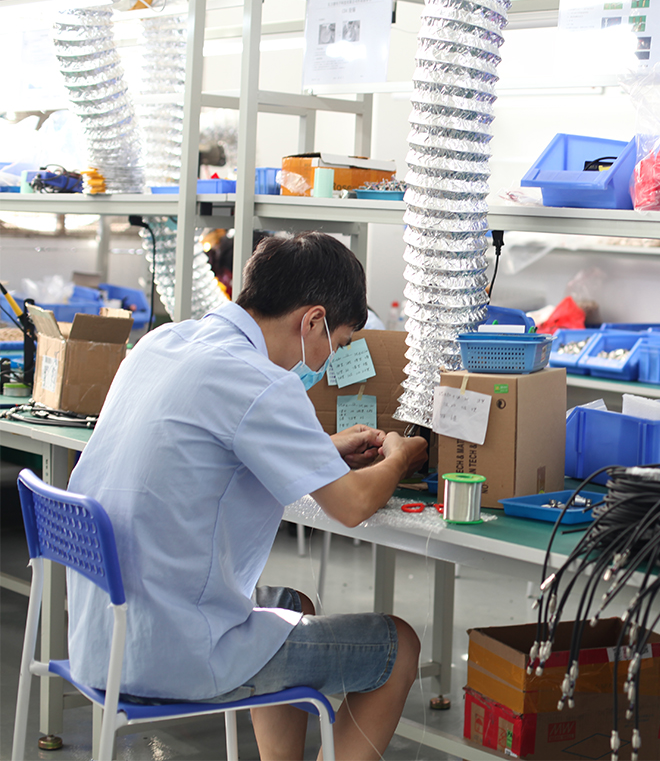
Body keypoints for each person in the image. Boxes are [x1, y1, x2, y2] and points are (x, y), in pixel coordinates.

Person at [65, 232, 429, 761]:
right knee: (399, 647)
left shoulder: (162, 342)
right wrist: (399, 456)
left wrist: (320, 450)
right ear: (312, 321)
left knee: (295, 607)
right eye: (339, 341)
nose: (329, 358)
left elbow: (215, 441)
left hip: (104, 633)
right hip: (173, 651)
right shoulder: (262, 382)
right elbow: (352, 505)